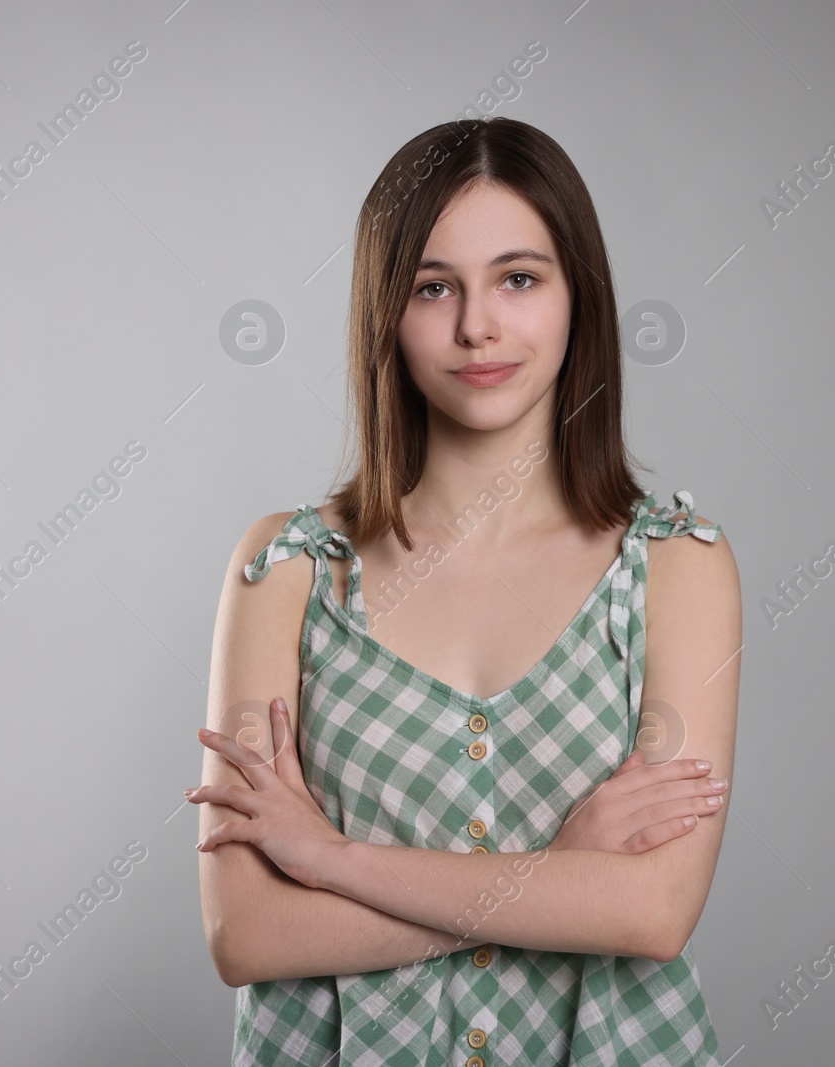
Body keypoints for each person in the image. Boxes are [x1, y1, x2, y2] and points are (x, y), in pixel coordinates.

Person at [189, 116, 741, 1066]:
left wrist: (334, 862)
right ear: (384, 314)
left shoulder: (679, 566)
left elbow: (652, 912)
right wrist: (560, 877)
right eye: (433, 287)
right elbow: (248, 934)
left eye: (518, 278)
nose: (477, 324)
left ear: (580, 300)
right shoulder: (284, 567)